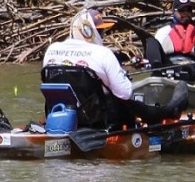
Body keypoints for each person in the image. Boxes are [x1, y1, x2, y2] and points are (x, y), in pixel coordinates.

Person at [42, 8, 183, 130]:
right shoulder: (103, 54)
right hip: (100, 120)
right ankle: (168, 111)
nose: (102, 34)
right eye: (100, 31)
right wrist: (123, 77)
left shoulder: (52, 50)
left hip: (61, 114)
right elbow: (125, 93)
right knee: (128, 102)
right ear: (88, 31)